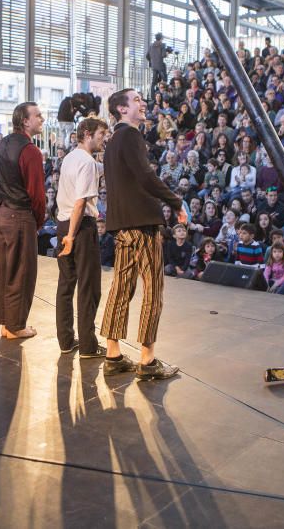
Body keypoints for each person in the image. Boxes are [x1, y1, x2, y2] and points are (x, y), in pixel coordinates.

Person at [101, 88, 185, 381]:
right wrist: (175, 202)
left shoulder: (113, 141)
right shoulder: (131, 136)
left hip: (123, 226)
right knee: (153, 292)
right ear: (122, 109)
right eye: (136, 100)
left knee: (121, 289)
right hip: (142, 226)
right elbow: (146, 177)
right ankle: (148, 361)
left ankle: (112, 355)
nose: (143, 103)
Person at [55, 117, 109, 357]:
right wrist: (72, 235)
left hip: (62, 222)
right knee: (88, 287)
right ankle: (87, 345)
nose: (103, 139)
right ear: (87, 133)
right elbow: (80, 203)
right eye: (100, 134)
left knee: (66, 285)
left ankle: (66, 341)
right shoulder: (86, 162)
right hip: (80, 228)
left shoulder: (69, 157)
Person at [0, 101, 46, 339]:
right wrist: (38, 221)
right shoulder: (30, 151)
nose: (42, 119)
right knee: (22, 274)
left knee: (4, 272)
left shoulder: (2, 143)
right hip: (20, 216)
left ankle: (7, 323)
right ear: (25, 120)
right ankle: (16, 326)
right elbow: (37, 194)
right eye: (38, 115)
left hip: (1, 213)